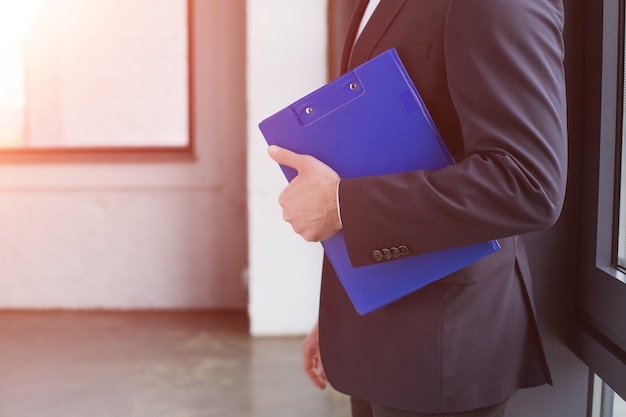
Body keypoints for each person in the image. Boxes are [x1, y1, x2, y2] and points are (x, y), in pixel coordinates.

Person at [267, 0, 567, 416]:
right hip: (378, 325)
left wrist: (342, 206)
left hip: (444, 352)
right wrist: (342, 313)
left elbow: (525, 182)